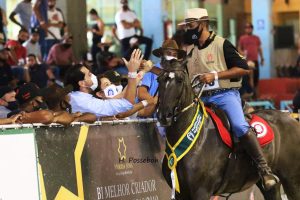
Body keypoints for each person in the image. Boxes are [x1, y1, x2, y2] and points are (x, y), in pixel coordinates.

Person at [178, 8, 279, 190]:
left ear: (202, 24)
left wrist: (215, 75)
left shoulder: (221, 44)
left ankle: (264, 170)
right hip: (200, 99)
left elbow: (243, 68)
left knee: (240, 126)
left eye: (191, 25)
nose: (188, 30)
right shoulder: (190, 50)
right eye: (187, 26)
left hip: (225, 95)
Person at [64, 49, 143, 118]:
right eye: (89, 74)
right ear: (82, 83)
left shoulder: (74, 96)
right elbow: (127, 104)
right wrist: (132, 72)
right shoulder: (88, 103)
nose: (92, 75)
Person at [138, 39, 186, 115]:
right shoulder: (149, 70)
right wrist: (155, 101)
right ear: (161, 54)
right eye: (169, 53)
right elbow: (141, 93)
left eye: (174, 55)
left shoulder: (178, 74)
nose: (172, 57)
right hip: (149, 116)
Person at [238, 22, 264, 97]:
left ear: (252, 29)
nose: (248, 29)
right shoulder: (242, 38)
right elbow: (239, 48)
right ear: (245, 29)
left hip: (255, 60)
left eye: (249, 28)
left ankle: (255, 96)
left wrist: (262, 58)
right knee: (247, 79)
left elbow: (259, 48)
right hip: (246, 61)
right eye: (246, 28)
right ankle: (249, 93)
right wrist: (242, 53)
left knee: (256, 78)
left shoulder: (256, 38)